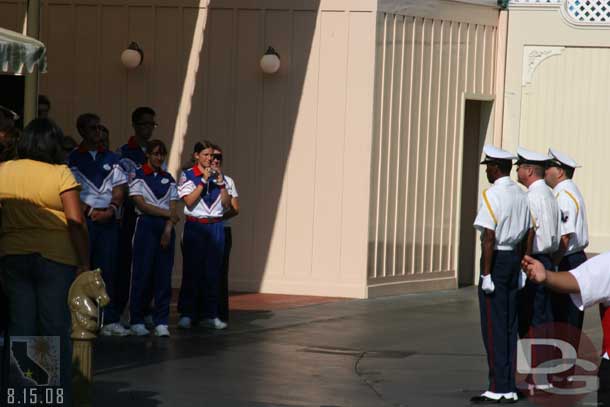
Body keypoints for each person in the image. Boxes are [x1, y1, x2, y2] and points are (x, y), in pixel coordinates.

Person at [0, 118, 90, 406]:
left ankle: (21, 393)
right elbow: (75, 222)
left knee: (21, 325)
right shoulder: (61, 173)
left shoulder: (4, 170)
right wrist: (84, 262)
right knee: (53, 326)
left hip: (12, 254)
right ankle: (50, 396)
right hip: (56, 257)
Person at [470, 145, 531, 404]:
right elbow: (529, 232)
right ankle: (508, 385)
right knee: (509, 325)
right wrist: (522, 265)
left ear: (497, 167)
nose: (487, 171)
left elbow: (488, 237)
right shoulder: (521, 194)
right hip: (513, 258)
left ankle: (497, 386)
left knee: (494, 326)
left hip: (496, 260)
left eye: (489, 167)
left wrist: (485, 274)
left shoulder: (492, 195)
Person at [68, 113, 130, 336]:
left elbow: (120, 187)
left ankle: (109, 320)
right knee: (81, 269)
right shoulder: (73, 159)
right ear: (82, 131)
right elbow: (71, 192)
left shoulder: (112, 158)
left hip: (108, 221)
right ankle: (79, 318)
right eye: (93, 128)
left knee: (108, 269)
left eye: (100, 127)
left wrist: (112, 209)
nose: (98, 132)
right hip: (84, 221)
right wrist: (92, 211)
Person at [177, 141, 231, 330]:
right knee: (192, 270)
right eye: (206, 155)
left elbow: (226, 205)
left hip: (215, 225)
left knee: (213, 272)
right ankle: (187, 313)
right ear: (196, 156)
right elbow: (189, 201)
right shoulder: (188, 175)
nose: (210, 159)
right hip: (196, 225)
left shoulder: (219, 176)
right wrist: (202, 181)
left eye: (212, 156)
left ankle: (211, 313)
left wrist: (221, 184)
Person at [128, 140, 179, 337]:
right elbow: (142, 205)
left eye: (162, 154)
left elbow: (174, 207)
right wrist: (167, 215)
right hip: (146, 226)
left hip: (165, 228)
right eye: (155, 153)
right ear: (148, 154)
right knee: (142, 273)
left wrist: (168, 229)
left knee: (163, 276)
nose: (159, 157)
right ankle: (137, 319)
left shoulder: (169, 178)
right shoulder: (138, 174)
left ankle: (161, 321)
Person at [116, 107, 158, 328]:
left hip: (153, 217)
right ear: (134, 125)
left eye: (152, 124)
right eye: (144, 123)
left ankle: (145, 309)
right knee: (129, 265)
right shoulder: (124, 153)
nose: (148, 128)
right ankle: (126, 311)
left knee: (150, 264)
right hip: (132, 217)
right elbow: (122, 186)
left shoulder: (156, 152)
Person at [545, 149, 588, 350]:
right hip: (573, 258)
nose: (545, 171)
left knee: (564, 316)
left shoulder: (563, 195)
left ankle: (563, 369)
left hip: (567, 260)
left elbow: (564, 235)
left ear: (560, 171)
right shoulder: (570, 190)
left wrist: (553, 265)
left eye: (549, 167)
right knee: (569, 316)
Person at [515, 148, 560, 336]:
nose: (516, 171)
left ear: (529, 171)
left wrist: (523, 261)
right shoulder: (550, 194)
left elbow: (529, 232)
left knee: (531, 316)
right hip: (548, 259)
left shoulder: (531, 196)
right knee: (545, 314)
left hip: (534, 260)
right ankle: (547, 358)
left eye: (519, 167)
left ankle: (536, 361)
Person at [210, 144, 239, 324]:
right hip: (201, 228)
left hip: (221, 229)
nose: (216, 160)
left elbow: (235, 208)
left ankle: (220, 313)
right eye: (213, 157)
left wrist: (218, 218)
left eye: (219, 158)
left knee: (220, 272)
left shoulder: (228, 181)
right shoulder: (198, 178)